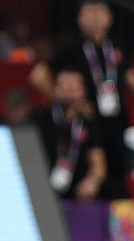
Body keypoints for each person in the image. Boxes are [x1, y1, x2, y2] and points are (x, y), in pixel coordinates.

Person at [31, 0, 134, 199]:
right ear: (79, 17)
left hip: (115, 127)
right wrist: (63, 98)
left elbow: (131, 77)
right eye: (89, 12)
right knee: (87, 179)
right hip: (85, 125)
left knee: (119, 183)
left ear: (109, 17)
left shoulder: (116, 45)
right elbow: (38, 76)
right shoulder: (71, 45)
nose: (94, 17)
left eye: (100, 11)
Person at [37, 67, 109, 200]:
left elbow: (98, 161)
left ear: (83, 92)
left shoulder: (89, 122)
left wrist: (92, 181)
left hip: (78, 194)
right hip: (44, 190)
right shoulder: (41, 120)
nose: (69, 94)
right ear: (56, 90)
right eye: (65, 88)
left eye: (74, 89)